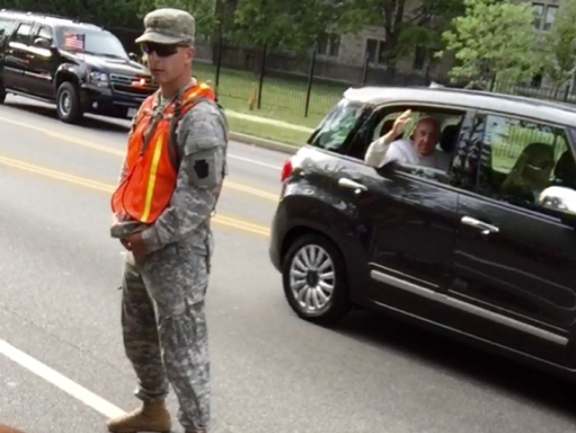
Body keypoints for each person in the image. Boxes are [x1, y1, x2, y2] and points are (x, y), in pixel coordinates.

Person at [107, 8, 228, 433]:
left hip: (176, 254)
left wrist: (151, 239)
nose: (152, 58)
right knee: (139, 338)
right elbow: (135, 170)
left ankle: (196, 428)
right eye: (146, 49)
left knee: (184, 356)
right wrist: (126, 219)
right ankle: (153, 412)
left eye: (163, 50)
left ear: (188, 54)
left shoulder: (201, 118)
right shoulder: (151, 105)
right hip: (139, 243)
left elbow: (199, 200)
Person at [364, 109, 449, 170]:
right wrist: (392, 134)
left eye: (432, 135)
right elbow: (371, 161)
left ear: (437, 138)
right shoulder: (399, 149)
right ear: (414, 135)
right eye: (422, 134)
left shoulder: (444, 160)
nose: (426, 140)